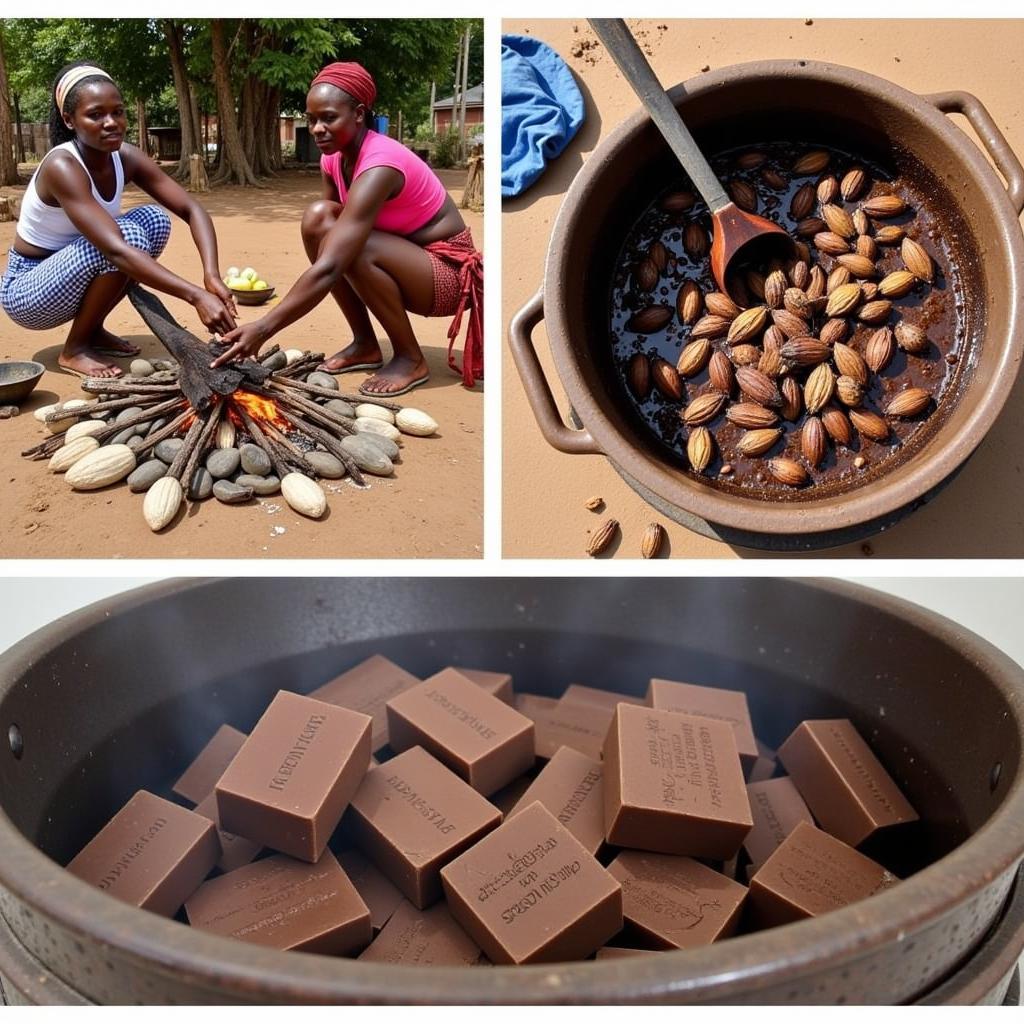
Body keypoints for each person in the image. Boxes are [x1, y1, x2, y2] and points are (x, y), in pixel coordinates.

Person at [212, 61, 482, 396]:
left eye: (328, 118)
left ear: (358, 114)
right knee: (318, 219)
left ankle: (411, 358)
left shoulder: (380, 165)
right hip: (403, 258)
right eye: (311, 120)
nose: (317, 129)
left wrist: (264, 327)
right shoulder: (333, 158)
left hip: (447, 275)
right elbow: (327, 237)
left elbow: (333, 263)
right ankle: (366, 344)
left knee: (356, 245)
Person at [0, 62, 236, 379]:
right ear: (69, 120)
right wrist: (195, 296)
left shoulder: (125, 156)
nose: (111, 123)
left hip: (71, 270)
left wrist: (212, 275)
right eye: (96, 115)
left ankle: (92, 330)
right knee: (128, 239)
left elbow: (192, 209)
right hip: (27, 291)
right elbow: (116, 251)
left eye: (118, 112)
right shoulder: (62, 165)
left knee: (154, 220)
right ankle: (74, 349)